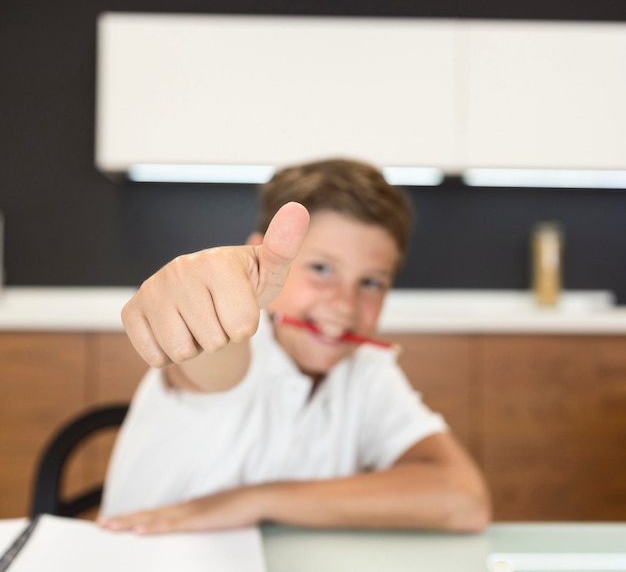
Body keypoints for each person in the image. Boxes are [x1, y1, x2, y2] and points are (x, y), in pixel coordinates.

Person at [99, 157, 490, 534]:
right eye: (321, 269)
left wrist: (253, 500)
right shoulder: (240, 343)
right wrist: (208, 292)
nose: (345, 304)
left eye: (371, 283)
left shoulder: (367, 367)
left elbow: (464, 499)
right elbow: (213, 360)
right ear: (263, 258)